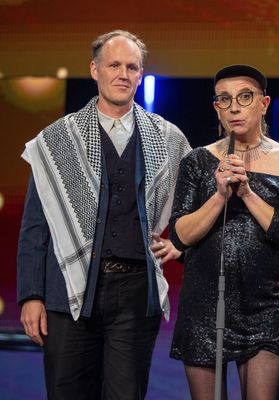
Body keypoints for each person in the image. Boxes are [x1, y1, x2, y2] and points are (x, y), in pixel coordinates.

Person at [17, 29, 191, 400]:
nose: (123, 74)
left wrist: (178, 241)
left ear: (141, 75)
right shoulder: (57, 139)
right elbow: (35, 226)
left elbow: (188, 208)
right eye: (114, 65)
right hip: (66, 294)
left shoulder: (168, 138)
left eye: (132, 67)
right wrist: (31, 296)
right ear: (94, 70)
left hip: (134, 294)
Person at [168, 65, 279, 399]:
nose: (234, 107)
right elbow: (179, 235)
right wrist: (219, 196)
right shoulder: (197, 161)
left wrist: (247, 193)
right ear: (216, 108)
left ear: (263, 104)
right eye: (224, 99)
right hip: (203, 309)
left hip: (261, 310)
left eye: (244, 97)